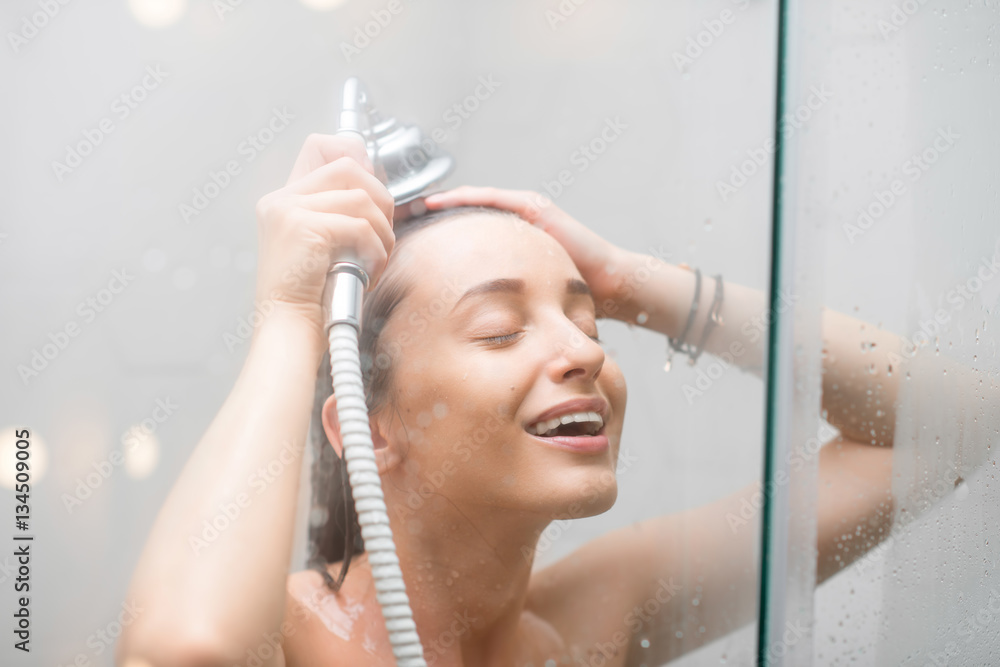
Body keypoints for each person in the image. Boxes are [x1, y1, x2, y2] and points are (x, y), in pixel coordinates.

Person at [117, 134, 994, 666]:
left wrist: (634, 283)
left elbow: (948, 428)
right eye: (501, 330)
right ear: (367, 426)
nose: (585, 352)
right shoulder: (291, 638)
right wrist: (289, 311)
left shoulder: (596, 615)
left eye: (590, 321)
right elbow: (187, 651)